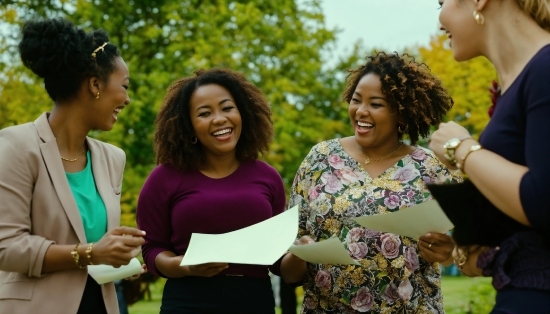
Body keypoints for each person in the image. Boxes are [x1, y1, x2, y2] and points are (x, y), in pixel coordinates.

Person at [279, 52, 459, 313]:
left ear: (401, 112)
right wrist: (300, 253)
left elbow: (467, 249)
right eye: (356, 100)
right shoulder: (319, 159)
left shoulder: (430, 168)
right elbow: (289, 273)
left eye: (376, 104)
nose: (361, 111)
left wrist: (448, 252)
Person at [0, 18, 145, 314]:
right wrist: (90, 253)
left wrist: (120, 256)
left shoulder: (112, 158)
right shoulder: (15, 146)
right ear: (95, 85)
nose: (127, 99)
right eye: (124, 86)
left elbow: (97, 247)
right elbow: (7, 247)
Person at [429, 0, 550, 312]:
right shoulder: (521, 79)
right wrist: (461, 254)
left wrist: (462, 149)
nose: (439, 18)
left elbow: (542, 200)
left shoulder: (546, 67)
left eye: (441, 2)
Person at [136, 68, 286, 314]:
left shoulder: (268, 177)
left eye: (227, 108)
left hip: (254, 302)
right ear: (189, 126)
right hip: (188, 302)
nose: (219, 119)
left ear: (243, 113)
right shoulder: (163, 179)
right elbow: (152, 249)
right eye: (204, 113)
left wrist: (302, 252)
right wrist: (184, 265)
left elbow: (279, 259)